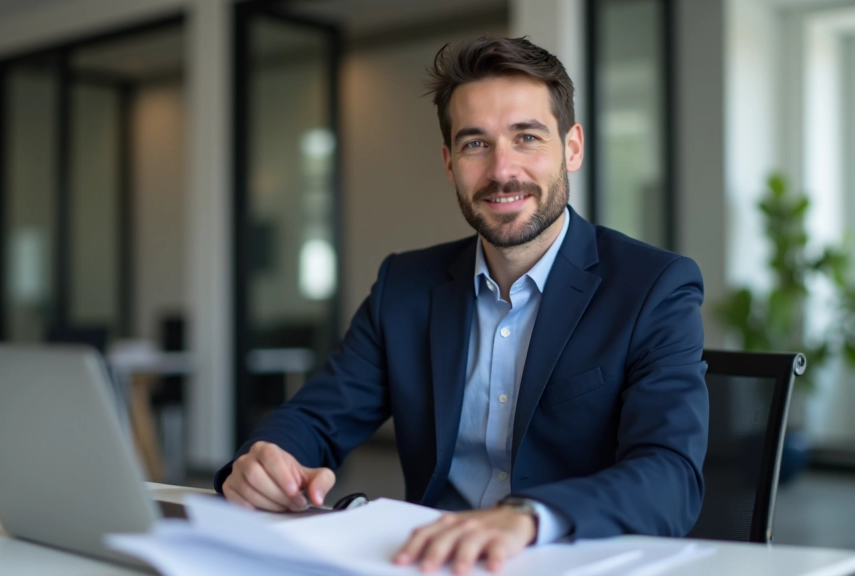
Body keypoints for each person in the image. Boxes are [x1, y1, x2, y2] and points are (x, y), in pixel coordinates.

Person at [215, 36, 708, 574]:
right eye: (476, 144)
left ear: (572, 148)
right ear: (450, 162)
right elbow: (316, 418)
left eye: (526, 137)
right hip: (428, 562)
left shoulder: (653, 286)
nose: (502, 170)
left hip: (566, 560)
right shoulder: (405, 285)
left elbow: (670, 474)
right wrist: (264, 459)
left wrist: (531, 516)